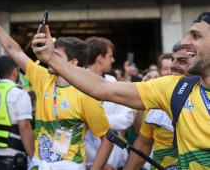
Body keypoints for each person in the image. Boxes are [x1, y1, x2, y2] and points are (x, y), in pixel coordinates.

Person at [32, 12, 210, 169]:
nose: (185, 42)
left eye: (195, 36)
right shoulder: (176, 88)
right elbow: (102, 88)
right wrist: (50, 58)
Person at [0, 0, 113, 170]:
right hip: (39, 165)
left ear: (73, 63)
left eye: (56, 56)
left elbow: (108, 138)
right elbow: (15, 51)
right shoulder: (43, 77)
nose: (49, 59)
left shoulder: (86, 94)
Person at [124, 43, 196, 170]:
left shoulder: (204, 97)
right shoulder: (156, 99)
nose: (173, 66)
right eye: (173, 60)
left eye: (182, 61)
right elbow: (143, 143)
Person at [84, 37, 134, 169]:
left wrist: (96, 122)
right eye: (110, 56)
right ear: (100, 58)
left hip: (115, 161)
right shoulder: (79, 82)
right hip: (88, 162)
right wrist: (100, 163)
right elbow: (80, 128)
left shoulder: (113, 81)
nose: (113, 60)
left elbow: (127, 118)